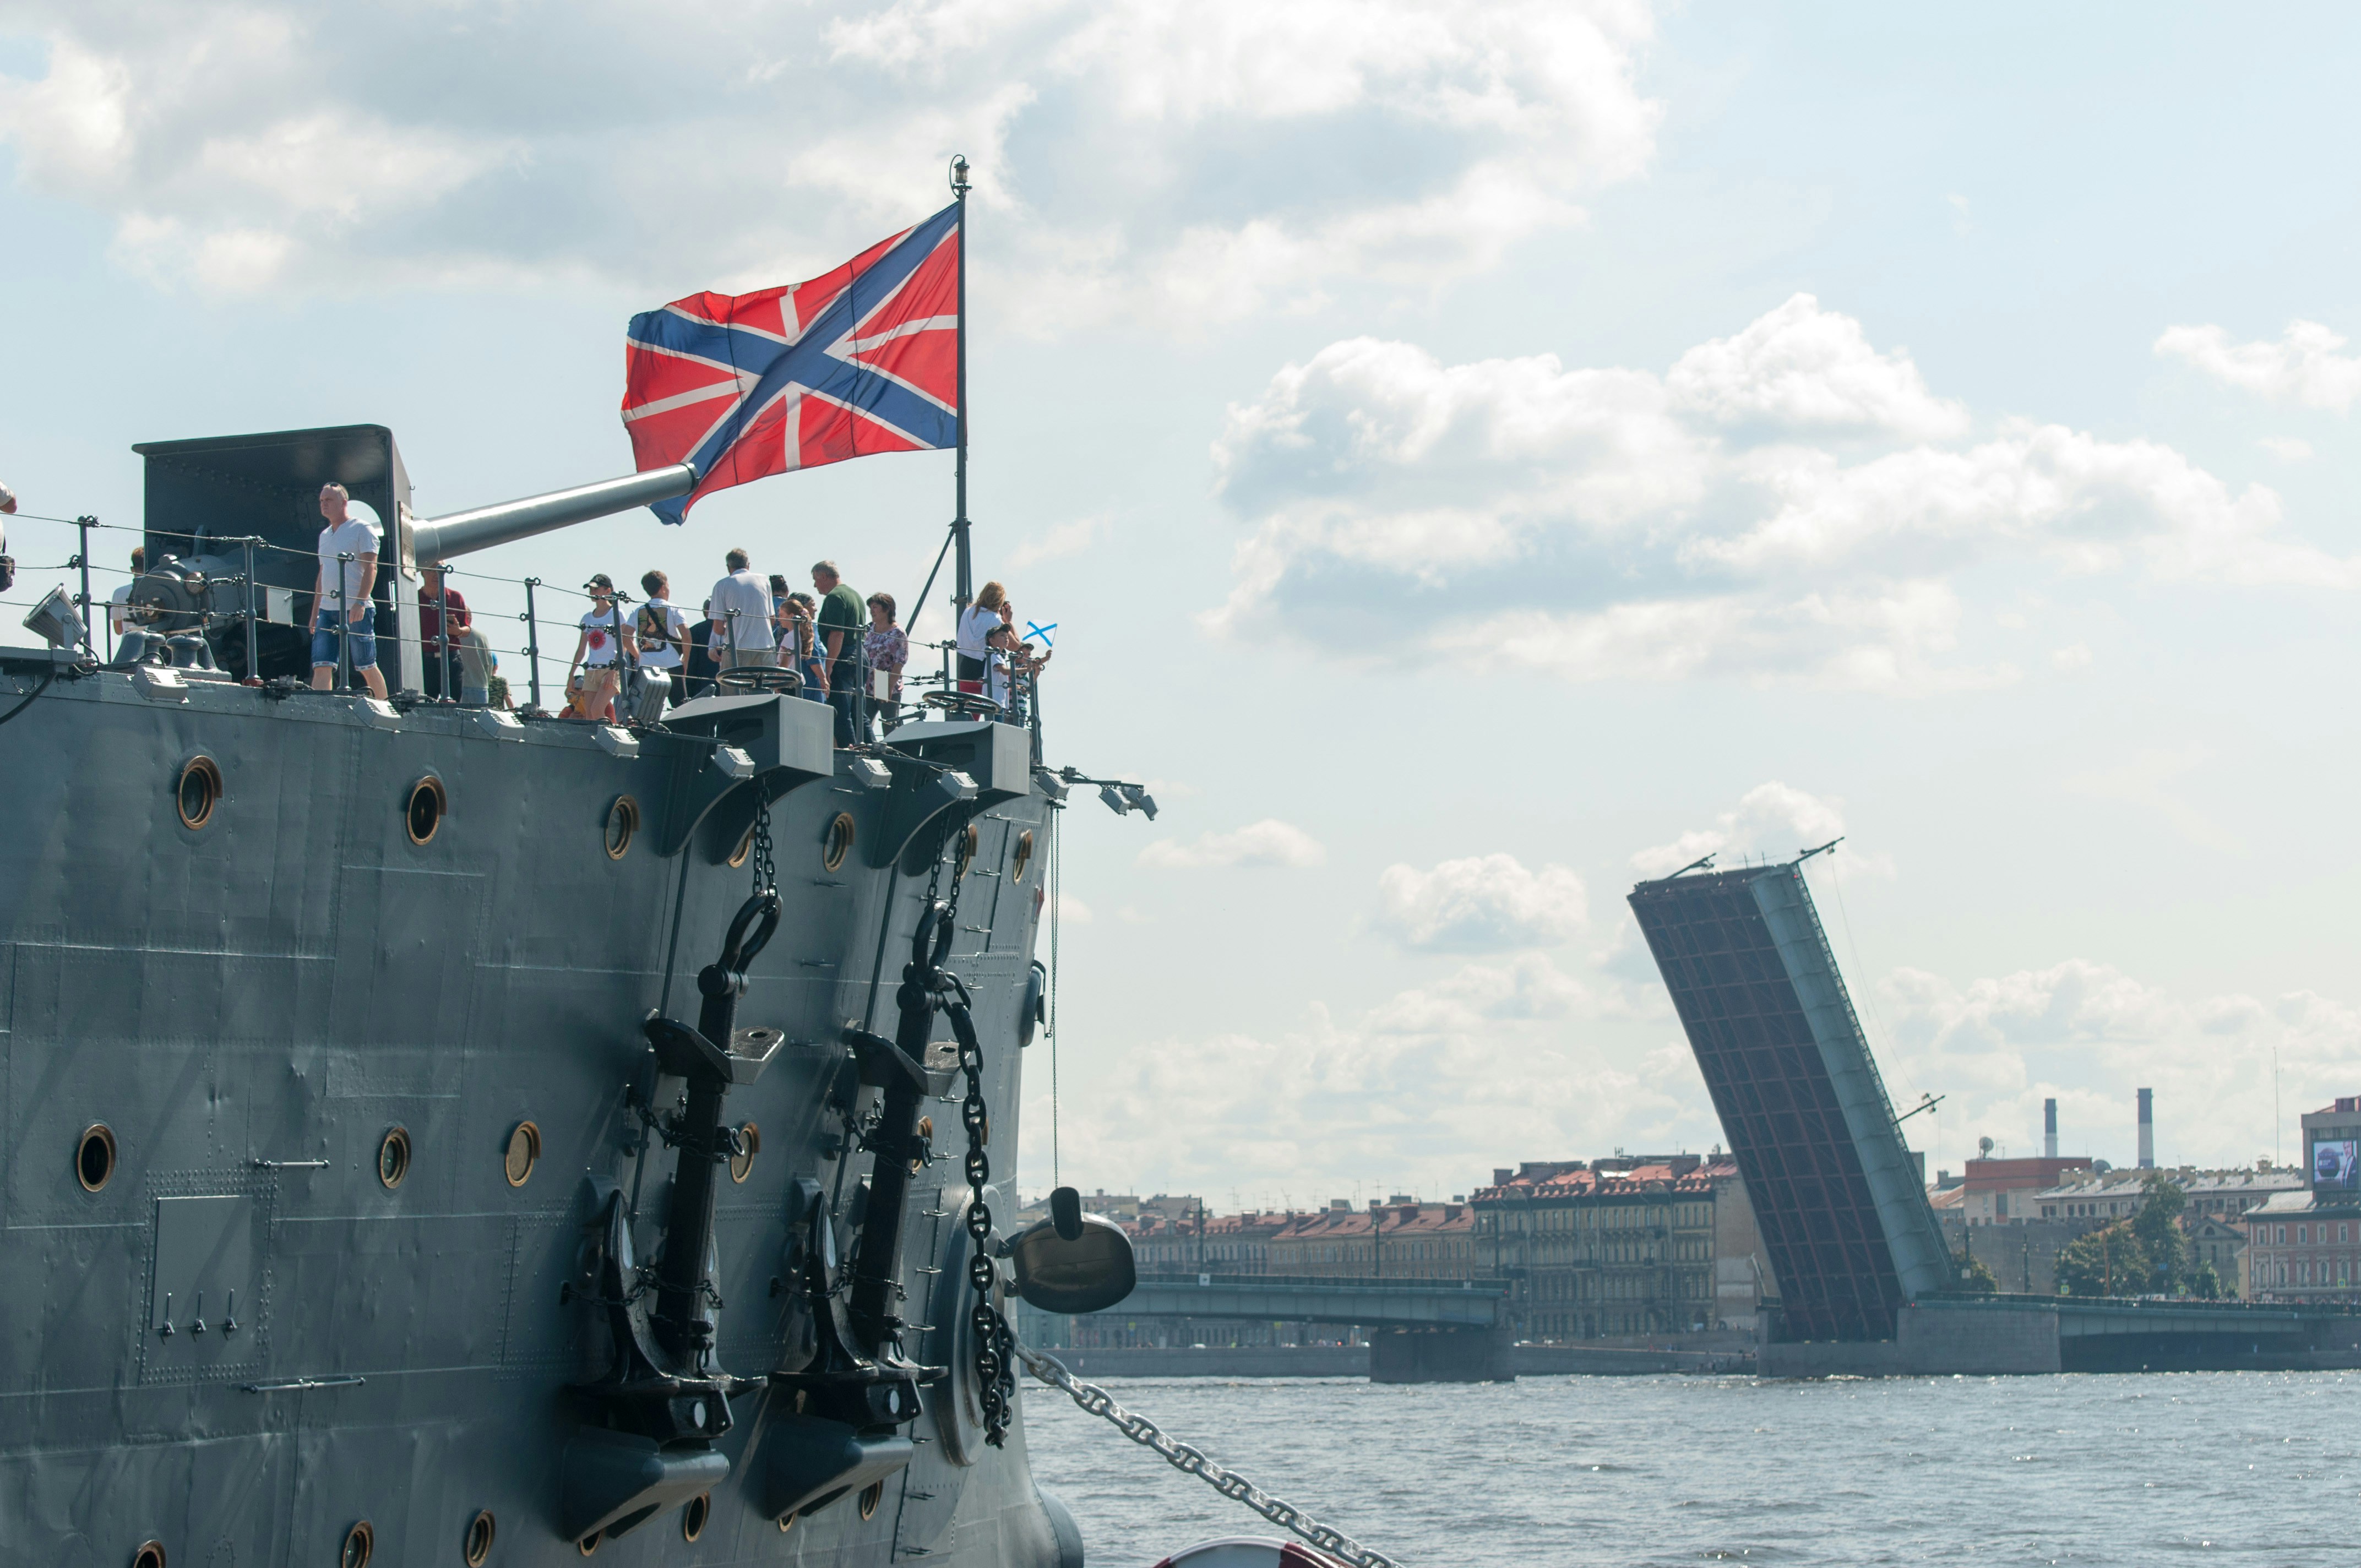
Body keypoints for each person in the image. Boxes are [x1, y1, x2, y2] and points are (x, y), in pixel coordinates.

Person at [309, 483, 389, 699]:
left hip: (355, 608)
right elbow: (322, 574)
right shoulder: (324, 535)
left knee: (366, 665)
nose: (324, 505)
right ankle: (321, 710)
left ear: (344, 503)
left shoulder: (362, 528)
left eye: (329, 500)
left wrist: (360, 602)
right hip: (327, 609)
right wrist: (316, 612)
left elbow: (371, 567)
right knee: (322, 664)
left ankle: (385, 706)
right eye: (322, 501)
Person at [566, 574, 635, 722]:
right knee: (590, 716)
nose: (592, 592)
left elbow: (623, 643)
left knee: (597, 710)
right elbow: (581, 649)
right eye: (591, 589)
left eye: (596, 589)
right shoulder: (587, 618)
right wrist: (571, 674)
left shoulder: (616, 613)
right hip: (591, 671)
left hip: (610, 669)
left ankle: (612, 738)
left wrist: (613, 670)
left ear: (608, 590)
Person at [812, 559, 866, 745]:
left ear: (824, 577)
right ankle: (872, 752)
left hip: (842, 656)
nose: (815, 585)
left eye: (816, 580)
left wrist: (828, 667)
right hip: (861, 655)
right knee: (859, 714)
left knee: (840, 713)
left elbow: (837, 634)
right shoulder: (855, 595)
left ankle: (851, 755)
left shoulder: (834, 597)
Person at [708, 548, 775, 675]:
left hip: (737, 648)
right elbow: (772, 620)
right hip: (766, 647)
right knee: (765, 693)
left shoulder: (722, 585)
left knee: (733, 693)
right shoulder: (764, 580)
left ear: (729, 567)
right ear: (748, 565)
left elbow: (717, 629)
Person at [637, 569, 689, 708]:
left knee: (648, 707)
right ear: (663, 587)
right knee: (681, 706)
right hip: (672, 664)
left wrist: (638, 656)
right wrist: (686, 661)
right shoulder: (674, 609)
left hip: (647, 667)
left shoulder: (637, 611)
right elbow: (686, 635)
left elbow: (626, 635)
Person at [418, 567, 470, 701]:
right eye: (432, 570)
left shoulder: (455, 597)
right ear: (422, 572)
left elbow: (467, 628)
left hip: (451, 658)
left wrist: (458, 631)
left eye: (440, 570)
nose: (437, 574)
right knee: (426, 704)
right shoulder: (414, 598)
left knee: (454, 705)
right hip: (425, 661)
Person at [864, 592, 908, 733]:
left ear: (887, 608)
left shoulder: (898, 633)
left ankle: (889, 753)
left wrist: (889, 686)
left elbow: (899, 662)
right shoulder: (870, 630)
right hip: (868, 682)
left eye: (875, 607)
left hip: (885, 680)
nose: (872, 611)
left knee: (888, 725)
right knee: (864, 723)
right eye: (871, 607)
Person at [955, 580, 1006, 697]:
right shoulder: (996, 619)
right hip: (986, 670)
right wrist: (1008, 621)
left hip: (966, 668)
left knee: (969, 711)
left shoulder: (968, 611)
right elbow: (1013, 645)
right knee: (991, 712)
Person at [779, 591, 825, 702]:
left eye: (781, 616)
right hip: (802, 682)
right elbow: (813, 655)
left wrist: (776, 683)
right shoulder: (805, 632)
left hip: (788, 682)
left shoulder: (786, 634)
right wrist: (823, 679)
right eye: (813, 605)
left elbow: (782, 662)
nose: (815, 609)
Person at [109, 546, 147, 638]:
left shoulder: (119, 593)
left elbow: (118, 630)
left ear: (132, 569)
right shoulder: (159, 590)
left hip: (129, 643)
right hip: (156, 644)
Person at [686, 598, 719, 698]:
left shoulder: (694, 631)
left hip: (701, 684)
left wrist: (690, 688)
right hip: (723, 681)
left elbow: (692, 662)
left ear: (704, 611)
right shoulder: (728, 630)